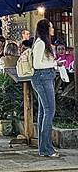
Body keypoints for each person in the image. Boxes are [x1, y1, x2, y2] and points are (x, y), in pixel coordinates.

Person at [31, 19, 62, 158]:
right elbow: (37, 64)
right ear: (46, 29)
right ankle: (46, 149)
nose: (53, 28)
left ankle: (44, 148)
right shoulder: (41, 43)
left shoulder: (42, 43)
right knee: (49, 110)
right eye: (51, 27)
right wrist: (53, 64)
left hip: (44, 76)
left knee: (44, 112)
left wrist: (54, 63)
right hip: (42, 77)